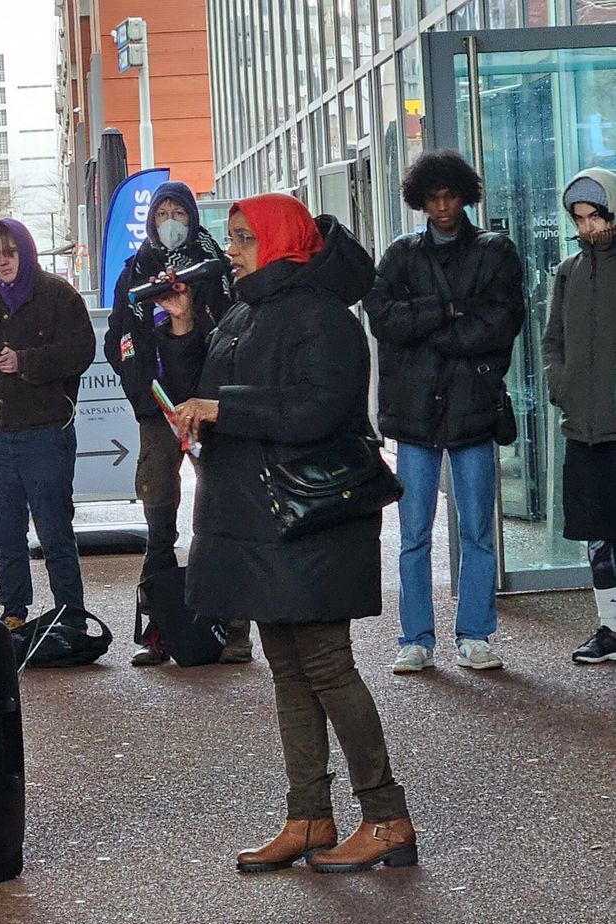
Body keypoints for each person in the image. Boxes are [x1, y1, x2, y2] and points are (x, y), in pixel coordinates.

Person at [173, 193, 416, 874]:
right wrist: (188, 331)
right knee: (287, 665)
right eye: (231, 237)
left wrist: (224, 406)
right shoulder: (246, 309)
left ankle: (388, 815)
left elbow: (318, 408)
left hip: (310, 519)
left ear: (283, 240)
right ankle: (308, 815)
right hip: (262, 516)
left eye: (246, 237)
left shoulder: (323, 315)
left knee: (328, 666)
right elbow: (214, 393)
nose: (232, 249)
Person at [366, 149, 524, 674]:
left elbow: (501, 324)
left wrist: (427, 332)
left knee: (477, 528)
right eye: (432, 197)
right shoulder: (400, 254)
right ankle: (415, 636)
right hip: (415, 413)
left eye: (449, 195)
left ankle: (474, 634)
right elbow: (383, 320)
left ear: (464, 195)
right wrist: (450, 309)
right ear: (420, 199)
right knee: (413, 532)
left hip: (472, 407)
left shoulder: (496, 251)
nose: (441, 206)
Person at [104, 180, 252, 667]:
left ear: (191, 217)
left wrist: (190, 322)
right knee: (159, 521)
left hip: (209, 410)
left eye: (179, 211)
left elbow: (234, 332)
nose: (170, 219)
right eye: (162, 210)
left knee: (221, 516)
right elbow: (117, 340)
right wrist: (139, 385)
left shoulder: (215, 266)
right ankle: (159, 627)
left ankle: (233, 628)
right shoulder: (134, 271)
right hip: (156, 411)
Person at [0, 219, 95, 631]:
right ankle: (13, 612)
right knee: (4, 530)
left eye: (10, 252)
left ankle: (72, 615)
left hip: (45, 431)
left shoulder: (58, 296)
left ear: (24, 252)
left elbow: (81, 349)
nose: (2, 262)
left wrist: (24, 361)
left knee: (54, 530)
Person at [542, 168, 616, 663]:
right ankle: (610, 627)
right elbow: (553, 342)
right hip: (583, 429)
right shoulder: (568, 271)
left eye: (596, 217)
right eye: (580, 218)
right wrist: (561, 386)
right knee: (597, 535)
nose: (588, 227)